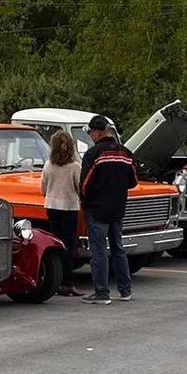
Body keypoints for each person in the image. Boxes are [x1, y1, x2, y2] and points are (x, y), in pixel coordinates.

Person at [79, 115, 137, 304]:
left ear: (97, 132)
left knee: (99, 252)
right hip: (118, 208)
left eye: (91, 132)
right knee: (118, 249)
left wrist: (85, 202)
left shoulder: (94, 154)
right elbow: (133, 182)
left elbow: (84, 185)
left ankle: (102, 293)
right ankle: (125, 290)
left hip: (97, 209)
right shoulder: (126, 153)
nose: (90, 136)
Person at [41, 131, 84, 296]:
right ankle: (68, 282)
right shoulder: (74, 167)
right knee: (68, 246)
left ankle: (56, 281)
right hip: (69, 208)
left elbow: (43, 189)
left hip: (51, 206)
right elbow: (79, 188)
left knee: (55, 244)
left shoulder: (48, 165)